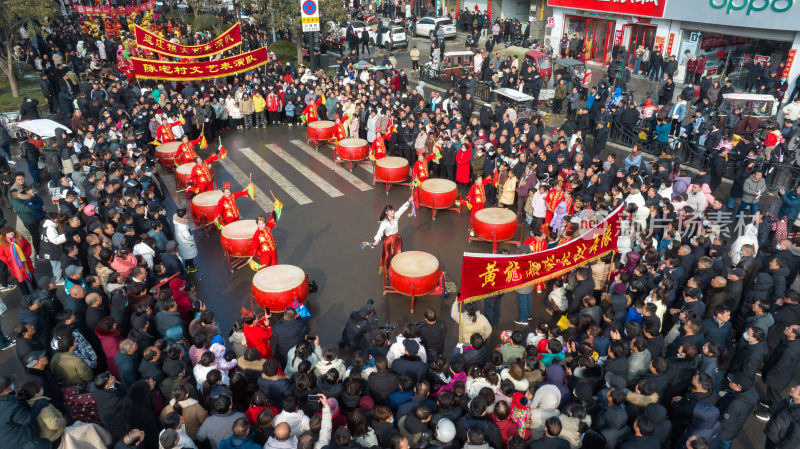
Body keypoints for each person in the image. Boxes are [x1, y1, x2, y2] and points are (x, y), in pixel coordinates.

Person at [367, 197, 413, 274]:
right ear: (386, 213)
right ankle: (387, 271)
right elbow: (380, 232)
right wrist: (376, 241)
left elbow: (401, 210)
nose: (392, 212)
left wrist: (408, 201)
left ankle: (397, 269)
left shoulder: (395, 217)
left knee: (398, 254)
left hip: (397, 239)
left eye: (392, 210)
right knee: (388, 256)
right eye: (390, 211)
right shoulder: (384, 222)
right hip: (388, 241)